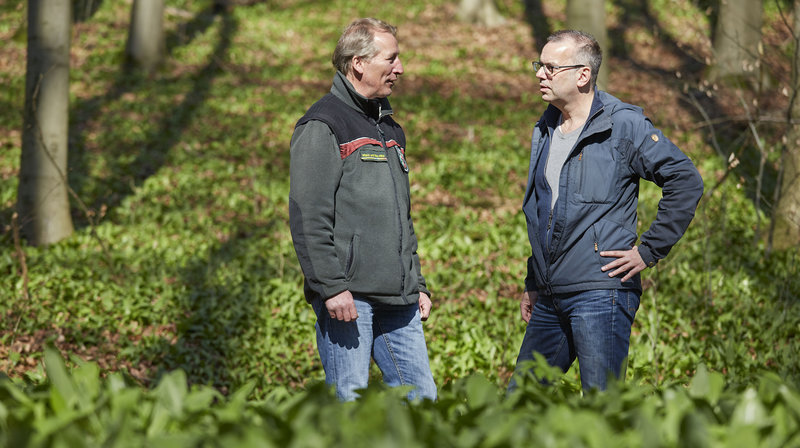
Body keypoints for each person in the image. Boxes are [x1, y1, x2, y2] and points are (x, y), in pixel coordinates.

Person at [509, 30, 704, 392]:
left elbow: (685, 179)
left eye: (550, 67)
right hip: (551, 296)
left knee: (601, 407)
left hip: (601, 294)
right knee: (517, 405)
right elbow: (543, 212)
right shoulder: (546, 126)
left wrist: (649, 250)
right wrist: (534, 281)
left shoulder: (623, 125)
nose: (539, 74)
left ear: (583, 75)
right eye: (539, 65)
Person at [288, 18, 437, 402]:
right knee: (349, 409)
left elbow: (402, 217)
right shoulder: (323, 124)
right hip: (349, 301)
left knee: (423, 404)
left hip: (400, 301)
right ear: (358, 63)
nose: (400, 68)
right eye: (391, 59)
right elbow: (308, 217)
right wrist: (332, 287)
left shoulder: (391, 129)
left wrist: (415, 282)